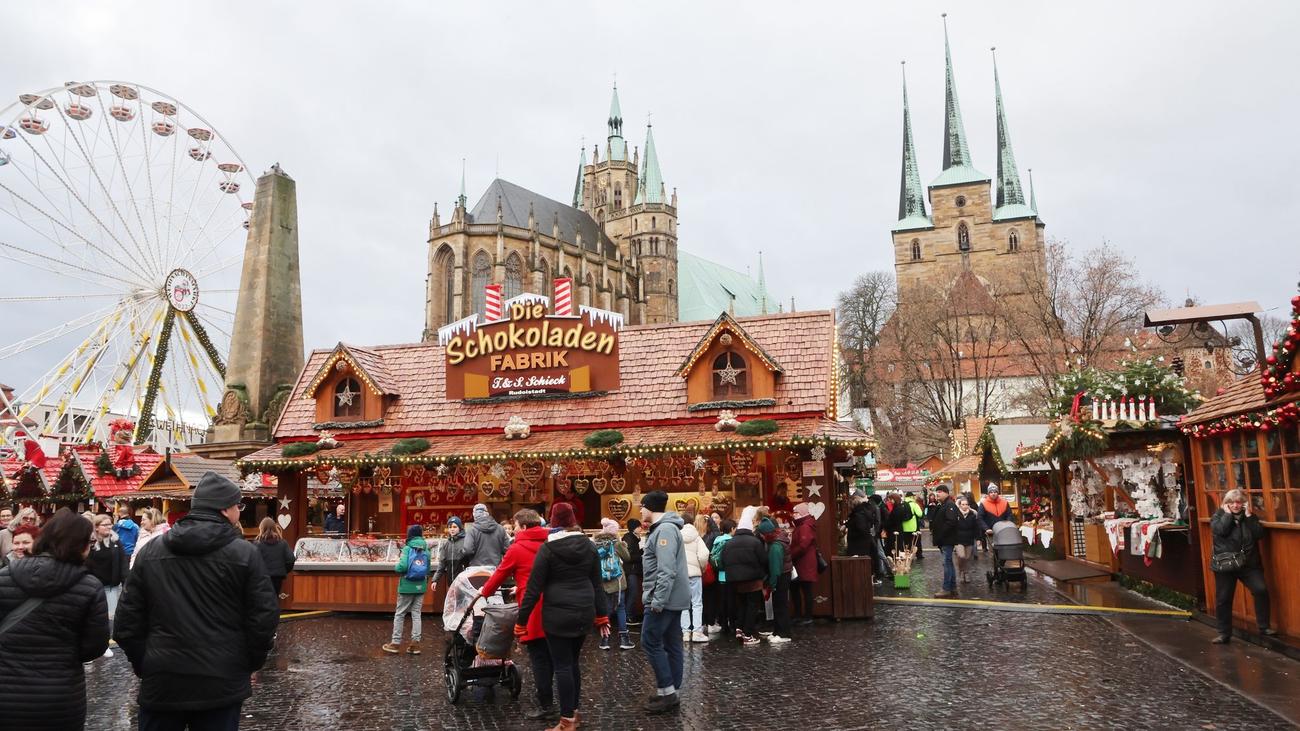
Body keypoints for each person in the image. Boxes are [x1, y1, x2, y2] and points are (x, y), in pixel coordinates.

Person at [114, 472, 279, 731]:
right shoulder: (245, 554)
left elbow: (126, 622)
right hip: (222, 679)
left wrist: (146, 663)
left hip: (163, 678)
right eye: (238, 505)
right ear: (225, 509)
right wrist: (248, 662)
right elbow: (263, 619)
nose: (239, 511)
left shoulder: (150, 552)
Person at [0, 508, 110, 730]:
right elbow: (94, 647)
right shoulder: (90, 587)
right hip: (60, 698)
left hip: (6, 694)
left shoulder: (4, 577)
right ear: (79, 545)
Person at [515, 502, 609, 731]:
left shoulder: (548, 549)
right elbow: (598, 584)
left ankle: (566, 720)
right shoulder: (589, 547)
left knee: (563, 666)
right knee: (573, 663)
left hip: (557, 613)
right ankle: (574, 713)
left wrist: (521, 622)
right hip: (584, 611)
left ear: (553, 521)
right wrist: (602, 615)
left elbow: (533, 589)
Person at [478, 509, 556, 721]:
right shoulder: (550, 543)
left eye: (514, 526)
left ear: (522, 527)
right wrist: (519, 586)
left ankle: (546, 704)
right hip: (556, 606)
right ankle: (565, 705)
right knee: (554, 656)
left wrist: (483, 591)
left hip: (532, 609)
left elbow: (499, 575)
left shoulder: (517, 548)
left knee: (539, 658)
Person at [638, 490, 691, 714]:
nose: (640, 510)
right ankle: (669, 691)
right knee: (672, 643)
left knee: (650, 641)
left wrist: (657, 600)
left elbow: (666, 570)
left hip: (663, 599)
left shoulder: (665, 530)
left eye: (642, 506)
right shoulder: (665, 529)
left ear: (650, 508)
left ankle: (668, 693)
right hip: (673, 597)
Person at [1209, 489, 1276, 644]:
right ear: (1226, 504)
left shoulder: (1249, 517)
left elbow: (1259, 534)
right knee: (1223, 599)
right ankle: (1224, 633)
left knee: (1261, 590)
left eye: (1239, 502)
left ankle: (1264, 627)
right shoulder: (1218, 516)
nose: (1236, 505)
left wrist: (1250, 517)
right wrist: (1227, 515)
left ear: (1244, 503)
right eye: (1232, 502)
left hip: (1248, 564)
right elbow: (1221, 530)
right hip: (1226, 565)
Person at [722, 506, 768, 647]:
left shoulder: (729, 543)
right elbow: (764, 560)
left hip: (735, 581)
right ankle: (748, 634)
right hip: (753, 579)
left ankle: (739, 629)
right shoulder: (755, 542)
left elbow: (724, 561)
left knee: (741, 605)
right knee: (752, 606)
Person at [381, 524, 430, 655]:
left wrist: (396, 567)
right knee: (416, 614)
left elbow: (402, 566)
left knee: (400, 614)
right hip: (420, 586)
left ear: (410, 535)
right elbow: (428, 568)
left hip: (407, 586)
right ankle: (415, 644)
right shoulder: (426, 548)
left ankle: (395, 643)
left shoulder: (407, 548)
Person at [86, 514, 127, 657]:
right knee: (95, 615)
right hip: (94, 586)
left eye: (110, 524)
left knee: (109, 616)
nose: (109, 527)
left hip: (111, 585)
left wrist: (125, 580)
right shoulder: (90, 543)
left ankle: (105, 643)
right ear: (96, 528)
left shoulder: (116, 541)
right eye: (105, 525)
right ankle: (93, 642)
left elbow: (123, 562)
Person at [594, 517, 635, 651]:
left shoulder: (596, 543)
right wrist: (622, 544)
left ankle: (605, 639)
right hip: (617, 581)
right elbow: (627, 557)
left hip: (602, 581)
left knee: (606, 609)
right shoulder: (616, 543)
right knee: (621, 607)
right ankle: (624, 638)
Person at [757, 516, 793, 644]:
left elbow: (775, 570)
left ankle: (784, 634)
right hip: (784, 575)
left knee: (780, 606)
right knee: (778, 605)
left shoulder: (775, 547)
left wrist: (771, 586)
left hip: (780, 577)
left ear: (767, 534)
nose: (761, 537)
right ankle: (778, 631)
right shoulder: (779, 540)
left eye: (762, 534)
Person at [679, 514, 711, 643]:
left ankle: (685, 632)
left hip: (681, 575)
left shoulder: (677, 536)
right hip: (695, 575)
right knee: (697, 603)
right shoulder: (697, 537)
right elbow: (704, 554)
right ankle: (697, 632)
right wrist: (701, 568)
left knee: (683, 604)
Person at [788, 502, 819, 624]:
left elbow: (802, 545)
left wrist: (790, 555)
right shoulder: (803, 525)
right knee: (801, 590)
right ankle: (801, 615)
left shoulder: (804, 527)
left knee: (805, 590)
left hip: (803, 563)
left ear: (802, 513)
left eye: (796, 513)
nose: (793, 515)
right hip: (803, 563)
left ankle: (806, 616)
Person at [929, 485, 961, 598]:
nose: (937, 494)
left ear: (947, 493)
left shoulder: (949, 505)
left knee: (946, 564)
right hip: (945, 539)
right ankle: (952, 587)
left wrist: (941, 534)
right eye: (937, 492)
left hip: (947, 539)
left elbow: (951, 522)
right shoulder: (944, 505)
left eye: (940, 492)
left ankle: (946, 588)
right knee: (949, 563)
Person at [254, 517, 297, 600]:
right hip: (278, 577)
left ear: (261, 528)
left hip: (262, 578)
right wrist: (284, 570)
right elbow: (291, 559)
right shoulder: (282, 543)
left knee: (263, 601)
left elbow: (253, 562)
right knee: (274, 599)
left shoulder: (257, 544)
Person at [709, 518, 736, 636]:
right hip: (730, 575)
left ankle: (723, 624)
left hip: (720, 575)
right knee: (731, 601)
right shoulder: (731, 542)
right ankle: (732, 624)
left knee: (722, 601)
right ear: (731, 529)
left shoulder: (717, 540)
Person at [462, 503, 509, 568]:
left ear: (474, 515)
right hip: (496, 569)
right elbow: (508, 550)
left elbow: (468, 550)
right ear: (487, 513)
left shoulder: (472, 530)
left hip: (476, 569)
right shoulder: (500, 528)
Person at [696, 514, 720, 633]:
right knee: (711, 597)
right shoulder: (710, 536)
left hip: (696, 571)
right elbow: (716, 531)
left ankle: (702, 622)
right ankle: (711, 623)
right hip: (708, 571)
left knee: (699, 599)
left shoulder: (694, 537)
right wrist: (710, 519)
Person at [430, 515, 466, 587]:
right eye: (450, 527)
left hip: (464, 582)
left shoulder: (466, 541)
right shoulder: (446, 544)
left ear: (460, 528)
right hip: (451, 583)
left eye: (454, 527)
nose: (452, 529)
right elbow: (442, 564)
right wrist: (435, 580)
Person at [953, 496, 981, 583]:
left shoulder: (973, 515)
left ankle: (966, 573)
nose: (964, 506)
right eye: (963, 504)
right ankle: (962, 572)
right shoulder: (956, 514)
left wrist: (978, 538)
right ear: (960, 505)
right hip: (958, 539)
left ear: (968, 505)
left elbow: (976, 527)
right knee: (961, 556)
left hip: (969, 539)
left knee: (968, 558)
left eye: (966, 504)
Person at [622, 518, 644, 626]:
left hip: (633, 570)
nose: (641, 528)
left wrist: (642, 551)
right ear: (634, 528)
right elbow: (629, 557)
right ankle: (628, 616)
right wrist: (641, 556)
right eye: (639, 526)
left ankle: (630, 615)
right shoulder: (630, 538)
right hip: (631, 570)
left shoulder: (633, 538)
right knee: (633, 593)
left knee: (633, 593)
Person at [899, 493, 923, 557]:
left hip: (904, 527)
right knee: (916, 541)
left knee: (906, 542)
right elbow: (920, 514)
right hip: (913, 526)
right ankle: (919, 554)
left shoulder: (902, 504)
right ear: (911, 497)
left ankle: (907, 555)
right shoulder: (914, 504)